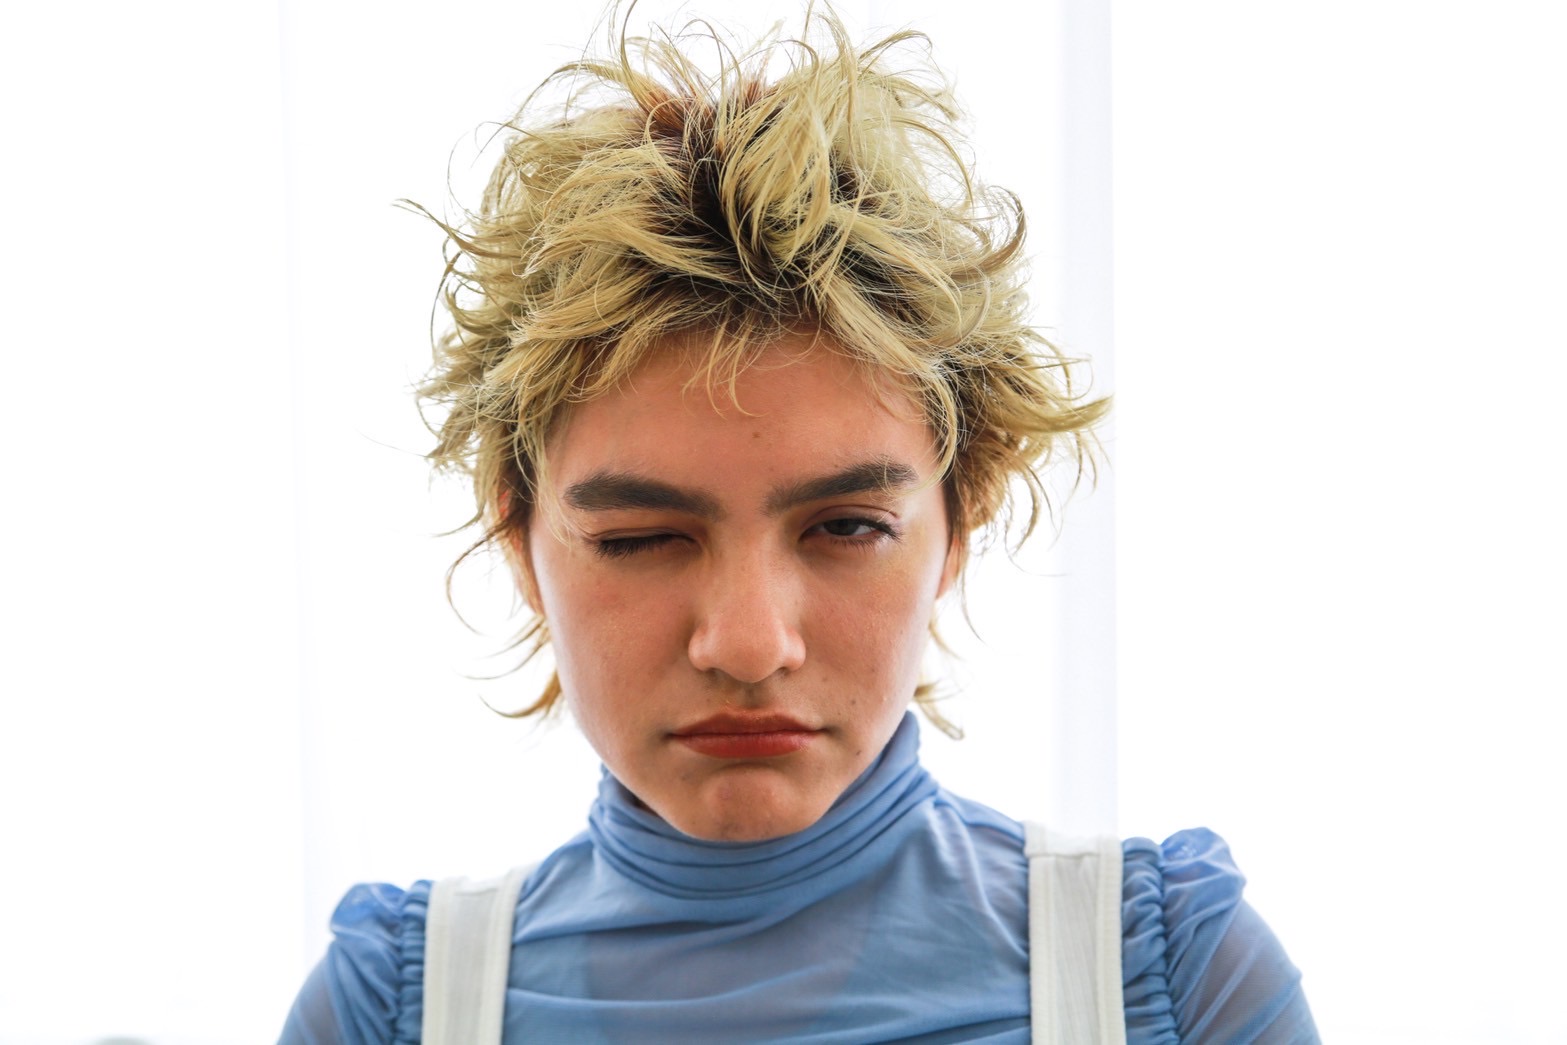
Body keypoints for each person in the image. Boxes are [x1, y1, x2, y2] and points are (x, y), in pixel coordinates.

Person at [281, 8, 1318, 1043]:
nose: (747, 644)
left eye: (847, 528)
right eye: (639, 537)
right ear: (519, 545)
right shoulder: (384, 1009)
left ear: (956, 527)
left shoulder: (1179, 980)